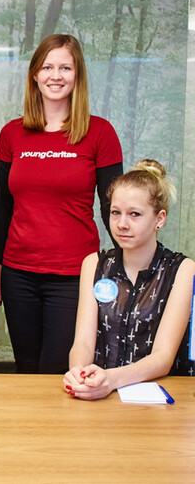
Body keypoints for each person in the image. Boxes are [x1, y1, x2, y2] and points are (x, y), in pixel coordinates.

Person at [0, 34, 123, 374]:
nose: (56, 75)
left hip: (75, 275)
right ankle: (25, 430)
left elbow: (114, 209)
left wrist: (128, 264)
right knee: (26, 367)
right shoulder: (12, 134)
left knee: (58, 368)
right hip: (18, 274)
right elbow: (4, 207)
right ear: (35, 75)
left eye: (65, 67)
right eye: (47, 67)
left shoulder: (99, 133)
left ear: (77, 74)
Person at [63, 160, 195, 400]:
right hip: (98, 392)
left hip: (159, 399)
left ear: (160, 219)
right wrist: (78, 373)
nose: (122, 224)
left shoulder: (182, 270)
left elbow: (163, 358)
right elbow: (82, 341)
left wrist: (111, 379)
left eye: (135, 214)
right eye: (116, 212)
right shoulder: (94, 264)